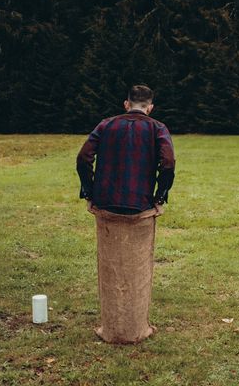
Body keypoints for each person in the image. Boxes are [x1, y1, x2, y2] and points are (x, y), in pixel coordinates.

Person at [76, 84, 175, 344]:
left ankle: (110, 327)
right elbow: (168, 163)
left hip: (106, 204)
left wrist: (90, 191)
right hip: (140, 205)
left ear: (126, 104)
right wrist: (160, 195)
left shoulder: (106, 125)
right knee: (138, 269)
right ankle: (136, 327)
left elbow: (84, 157)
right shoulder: (157, 128)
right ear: (150, 107)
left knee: (110, 267)